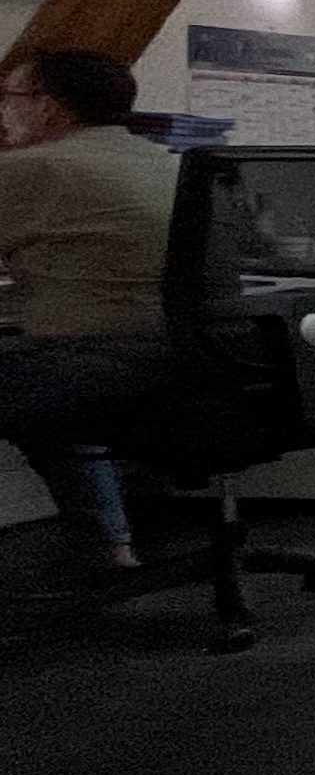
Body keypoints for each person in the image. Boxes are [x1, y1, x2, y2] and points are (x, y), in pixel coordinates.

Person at [0, 47, 179, 575]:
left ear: (47, 105)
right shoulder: (167, 161)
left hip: (95, 364)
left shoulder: (36, 167)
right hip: (186, 362)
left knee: (45, 388)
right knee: (50, 405)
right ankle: (107, 546)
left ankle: (107, 543)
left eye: (8, 96)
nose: (3, 111)